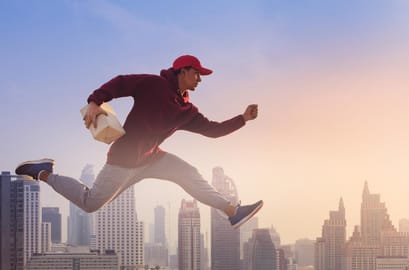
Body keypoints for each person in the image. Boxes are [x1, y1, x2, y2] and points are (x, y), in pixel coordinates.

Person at [16, 54, 262, 228]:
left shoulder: (187, 110)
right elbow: (120, 83)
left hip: (153, 157)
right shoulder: (153, 84)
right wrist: (95, 101)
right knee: (90, 203)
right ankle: (44, 173)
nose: (199, 79)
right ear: (182, 70)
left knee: (189, 174)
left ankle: (232, 211)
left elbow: (213, 130)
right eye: (196, 73)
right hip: (123, 160)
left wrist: (243, 118)